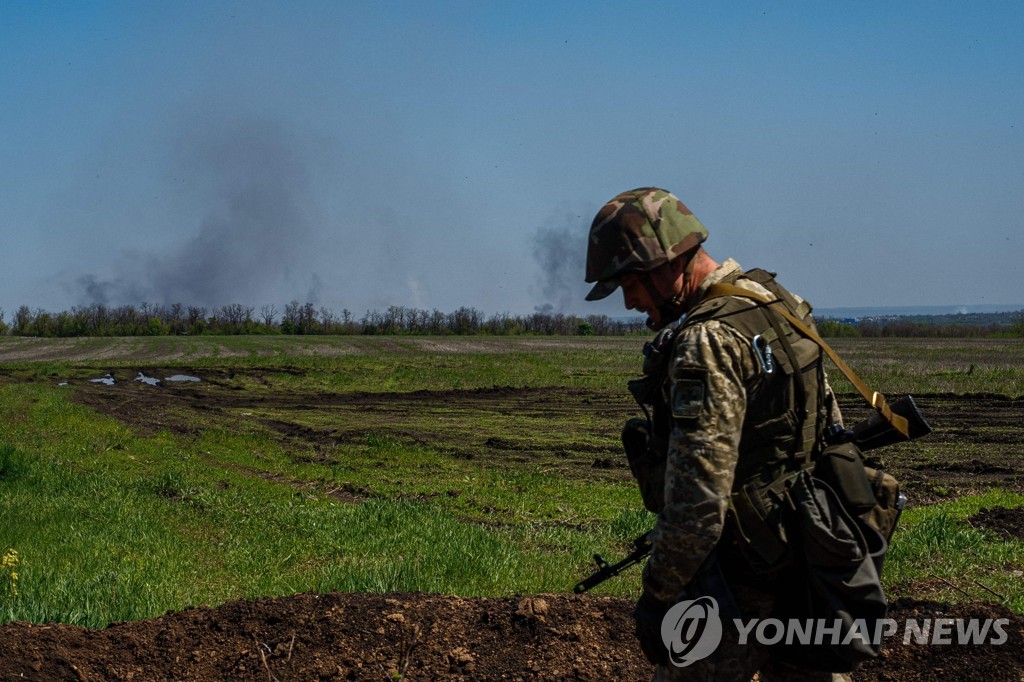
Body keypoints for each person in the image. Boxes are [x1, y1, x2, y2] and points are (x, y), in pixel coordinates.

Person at [584, 187, 853, 681]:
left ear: (668, 262)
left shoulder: (706, 340)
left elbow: (698, 501)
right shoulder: (778, 301)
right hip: (813, 554)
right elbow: (827, 425)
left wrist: (659, 594)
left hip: (742, 576)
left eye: (630, 283)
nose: (629, 302)